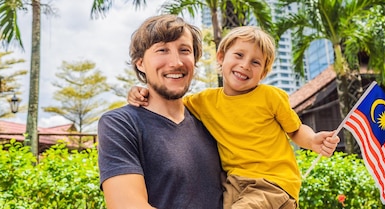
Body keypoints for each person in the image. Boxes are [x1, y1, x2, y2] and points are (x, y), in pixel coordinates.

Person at [129, 26, 340, 209]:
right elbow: (167, 101)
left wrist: (312, 140)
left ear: (263, 73)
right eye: (239, 55)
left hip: (273, 183)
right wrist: (141, 92)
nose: (245, 65)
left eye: (256, 62)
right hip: (234, 185)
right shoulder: (204, 101)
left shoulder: (270, 97)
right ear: (221, 58)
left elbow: (294, 129)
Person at [97, 14, 223, 209]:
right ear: (140, 63)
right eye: (162, 50)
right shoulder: (121, 124)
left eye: (184, 50)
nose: (176, 62)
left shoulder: (210, 120)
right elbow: (127, 205)